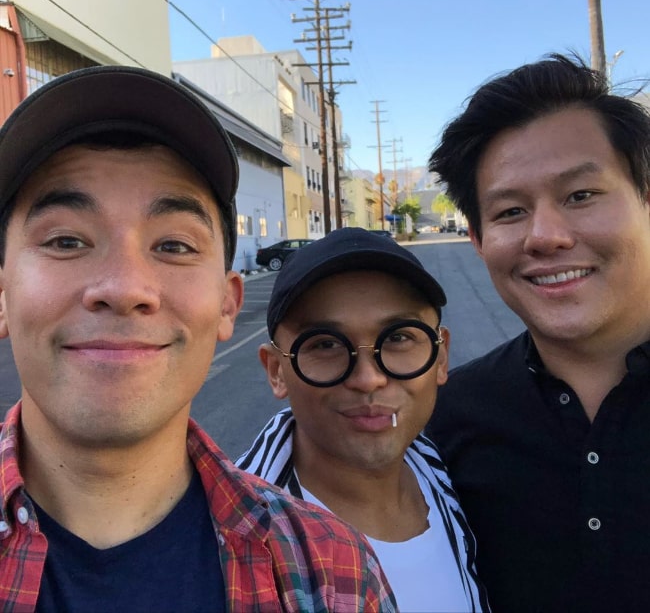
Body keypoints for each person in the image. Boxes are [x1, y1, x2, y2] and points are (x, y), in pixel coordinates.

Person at [0, 67, 397, 612]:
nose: (124, 288)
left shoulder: (332, 573)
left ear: (229, 303)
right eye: (67, 240)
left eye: (174, 246)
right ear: (2, 294)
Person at [425, 53, 650, 613]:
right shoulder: (444, 426)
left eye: (580, 196)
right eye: (510, 212)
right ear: (477, 239)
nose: (545, 236)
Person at [237, 227, 490, 613]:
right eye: (324, 344)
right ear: (276, 371)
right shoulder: (232, 550)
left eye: (399, 338)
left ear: (441, 358)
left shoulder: (460, 479)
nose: (369, 378)